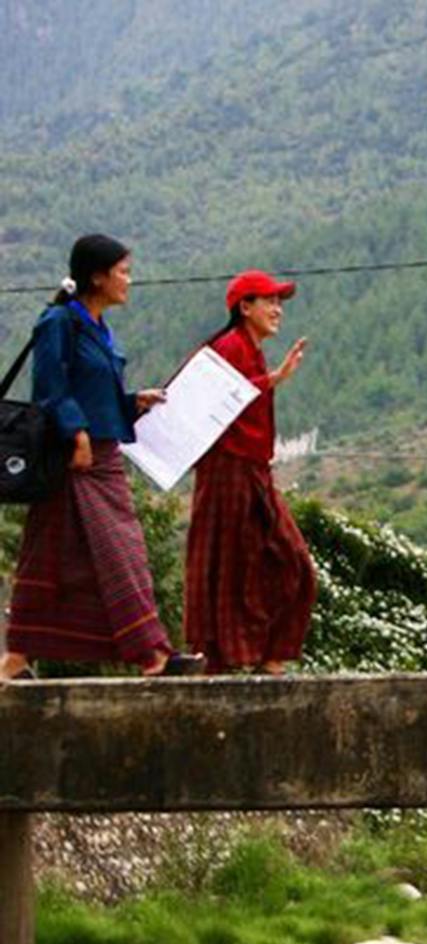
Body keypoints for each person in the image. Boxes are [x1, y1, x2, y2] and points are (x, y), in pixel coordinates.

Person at [0, 235, 204, 681]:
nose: (128, 280)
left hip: (104, 457)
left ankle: (16, 658)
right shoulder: (59, 322)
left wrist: (134, 402)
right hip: (76, 460)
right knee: (118, 553)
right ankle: (151, 655)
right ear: (97, 276)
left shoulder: (99, 329)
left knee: (53, 559)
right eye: (123, 272)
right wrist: (76, 435)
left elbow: (98, 393)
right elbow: (51, 388)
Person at [183, 270, 316, 675]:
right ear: (245, 307)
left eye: (280, 302)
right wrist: (273, 379)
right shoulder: (229, 347)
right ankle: (225, 660)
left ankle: (268, 656)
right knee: (228, 564)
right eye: (268, 300)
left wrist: (271, 378)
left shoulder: (250, 350)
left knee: (288, 560)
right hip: (227, 469)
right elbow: (212, 402)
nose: (277, 310)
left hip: (254, 468)